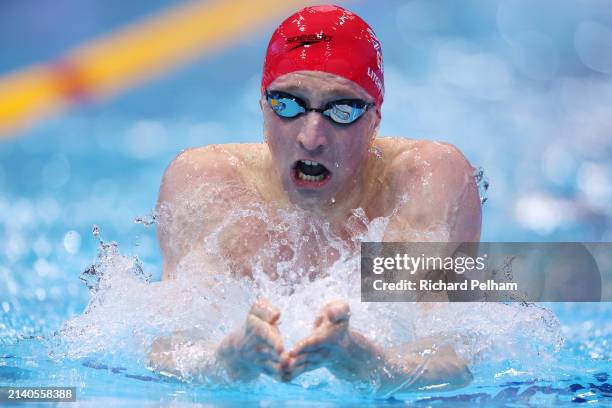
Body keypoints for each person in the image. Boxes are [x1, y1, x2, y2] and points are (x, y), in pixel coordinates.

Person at [148, 5, 481, 394]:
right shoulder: (209, 186)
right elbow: (169, 351)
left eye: (341, 109)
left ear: (375, 120)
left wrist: (369, 364)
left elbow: (455, 359)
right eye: (288, 103)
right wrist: (229, 361)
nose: (312, 137)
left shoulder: (421, 184)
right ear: (262, 104)